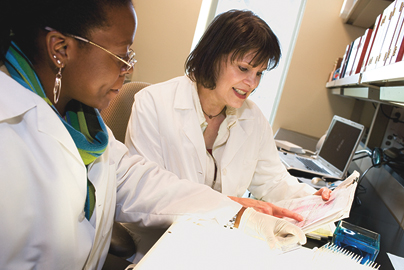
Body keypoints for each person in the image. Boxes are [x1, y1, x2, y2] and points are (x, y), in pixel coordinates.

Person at [0, 1, 306, 269]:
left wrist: (239, 214)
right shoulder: (9, 132)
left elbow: (145, 183)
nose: (128, 70)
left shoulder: (84, 124)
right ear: (61, 49)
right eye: (121, 57)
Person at [125, 10, 331, 216]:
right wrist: (231, 204)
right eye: (243, 68)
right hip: (159, 238)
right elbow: (146, 193)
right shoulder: (153, 103)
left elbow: (273, 182)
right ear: (212, 57)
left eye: (259, 73)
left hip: (220, 235)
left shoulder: (253, 118)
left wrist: (312, 199)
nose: (252, 83)